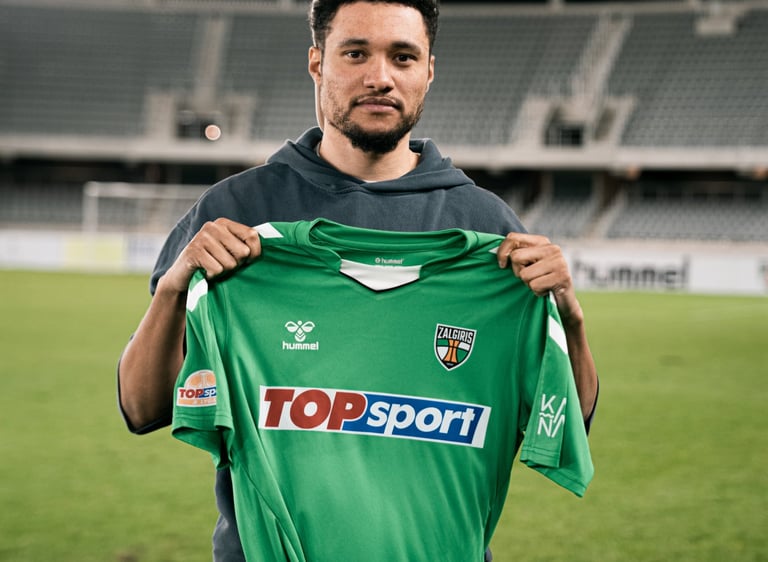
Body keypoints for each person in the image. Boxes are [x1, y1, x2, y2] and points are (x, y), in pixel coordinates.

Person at [117, 1, 599, 560]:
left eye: (403, 57)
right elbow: (142, 408)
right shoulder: (237, 211)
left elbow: (565, 419)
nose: (380, 77)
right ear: (317, 63)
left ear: (428, 71)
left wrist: (570, 321)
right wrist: (173, 291)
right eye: (356, 54)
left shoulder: (487, 226)